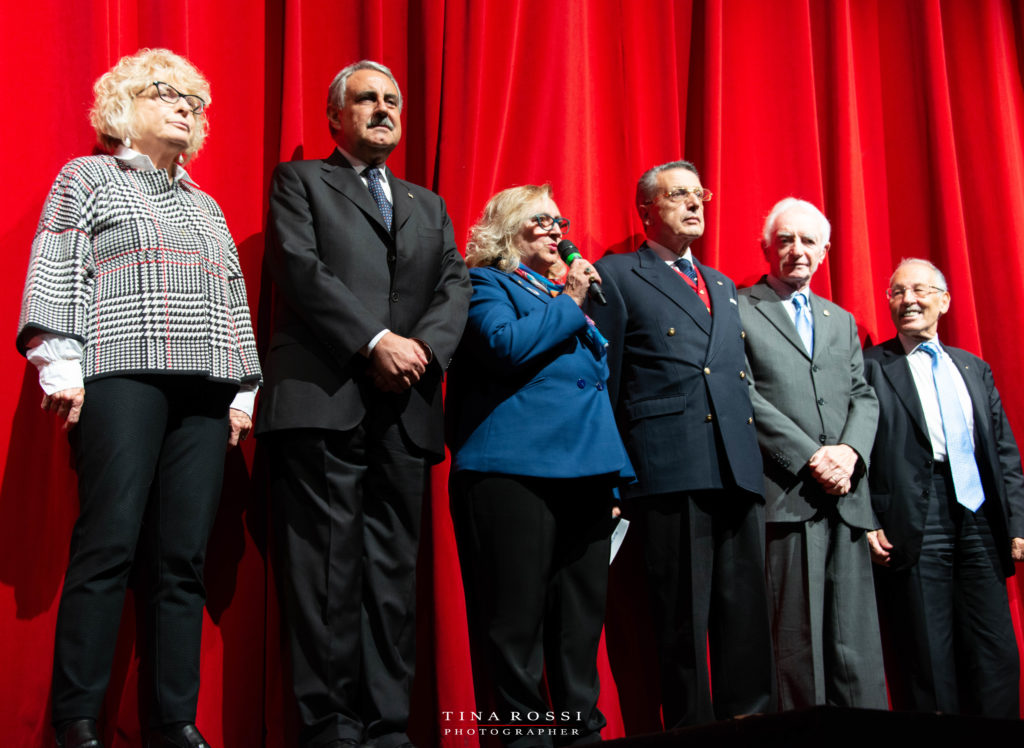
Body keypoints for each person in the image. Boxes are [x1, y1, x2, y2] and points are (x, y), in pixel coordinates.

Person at [16, 49, 261, 748]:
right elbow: (58, 267)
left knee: (181, 557)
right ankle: (78, 719)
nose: (187, 106)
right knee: (109, 543)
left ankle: (171, 720)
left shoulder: (206, 205)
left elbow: (231, 299)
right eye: (169, 92)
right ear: (125, 102)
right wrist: (60, 369)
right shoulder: (87, 177)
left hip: (207, 388)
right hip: (122, 374)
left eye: (196, 100)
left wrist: (244, 389)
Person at [256, 60, 471, 748]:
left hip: (404, 409)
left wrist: (419, 351)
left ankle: (386, 729)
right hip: (325, 402)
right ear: (335, 117)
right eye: (367, 99)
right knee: (324, 574)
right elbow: (300, 268)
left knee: (390, 577)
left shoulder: (426, 203)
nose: (383, 110)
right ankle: (332, 728)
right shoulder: (299, 182)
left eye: (392, 100)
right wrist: (374, 341)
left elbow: (454, 285)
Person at [587, 160, 775, 727]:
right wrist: (610, 474)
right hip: (668, 466)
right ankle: (692, 729)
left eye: (699, 195)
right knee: (682, 623)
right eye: (678, 195)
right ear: (647, 209)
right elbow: (605, 379)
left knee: (746, 619)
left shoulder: (720, 283)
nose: (695, 204)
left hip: (736, 467)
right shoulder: (618, 274)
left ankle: (752, 722)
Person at [446, 185, 632, 747]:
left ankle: (581, 734)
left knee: (580, 624)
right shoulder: (485, 284)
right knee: (515, 622)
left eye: (561, 221)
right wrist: (569, 301)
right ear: (506, 231)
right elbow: (504, 346)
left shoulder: (562, 294)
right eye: (541, 221)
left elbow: (596, 384)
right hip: (513, 473)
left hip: (588, 474)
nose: (557, 231)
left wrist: (615, 474)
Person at [737, 198, 886, 710]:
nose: (796, 250)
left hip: (846, 497)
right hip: (788, 496)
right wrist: (809, 456)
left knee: (855, 643)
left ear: (824, 252)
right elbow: (743, 393)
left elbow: (862, 395)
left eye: (807, 241)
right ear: (767, 249)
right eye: (785, 240)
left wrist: (849, 452)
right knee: (797, 645)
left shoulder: (840, 320)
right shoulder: (738, 308)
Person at [864, 258, 1024, 717]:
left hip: (979, 517)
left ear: (945, 301)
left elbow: (1004, 451)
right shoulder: (873, 367)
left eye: (919, 290)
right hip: (915, 518)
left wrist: (1016, 521)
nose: (908, 300)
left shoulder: (973, 368)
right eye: (897, 292)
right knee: (927, 657)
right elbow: (856, 449)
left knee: (995, 651)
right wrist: (868, 521)